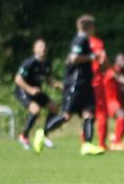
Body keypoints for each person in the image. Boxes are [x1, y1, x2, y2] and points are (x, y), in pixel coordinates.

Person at [33, 15, 105, 156]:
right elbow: (73, 58)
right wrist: (92, 57)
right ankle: (42, 132)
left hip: (85, 84)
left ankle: (87, 145)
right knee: (66, 115)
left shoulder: (85, 40)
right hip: (75, 84)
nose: (95, 29)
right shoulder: (80, 40)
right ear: (89, 27)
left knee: (88, 113)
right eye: (93, 26)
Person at [13, 39, 62, 150]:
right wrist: (29, 89)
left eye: (44, 46)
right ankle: (24, 136)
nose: (43, 48)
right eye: (40, 46)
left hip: (36, 91)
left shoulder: (47, 63)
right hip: (23, 91)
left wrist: (58, 85)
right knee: (35, 110)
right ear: (35, 49)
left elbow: (49, 81)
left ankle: (44, 135)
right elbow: (18, 79)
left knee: (54, 108)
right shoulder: (29, 63)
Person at [90, 33, 110, 150]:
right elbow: (103, 60)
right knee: (101, 113)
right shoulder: (96, 42)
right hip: (96, 82)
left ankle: (85, 141)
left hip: (83, 82)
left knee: (87, 112)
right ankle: (102, 143)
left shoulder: (78, 42)